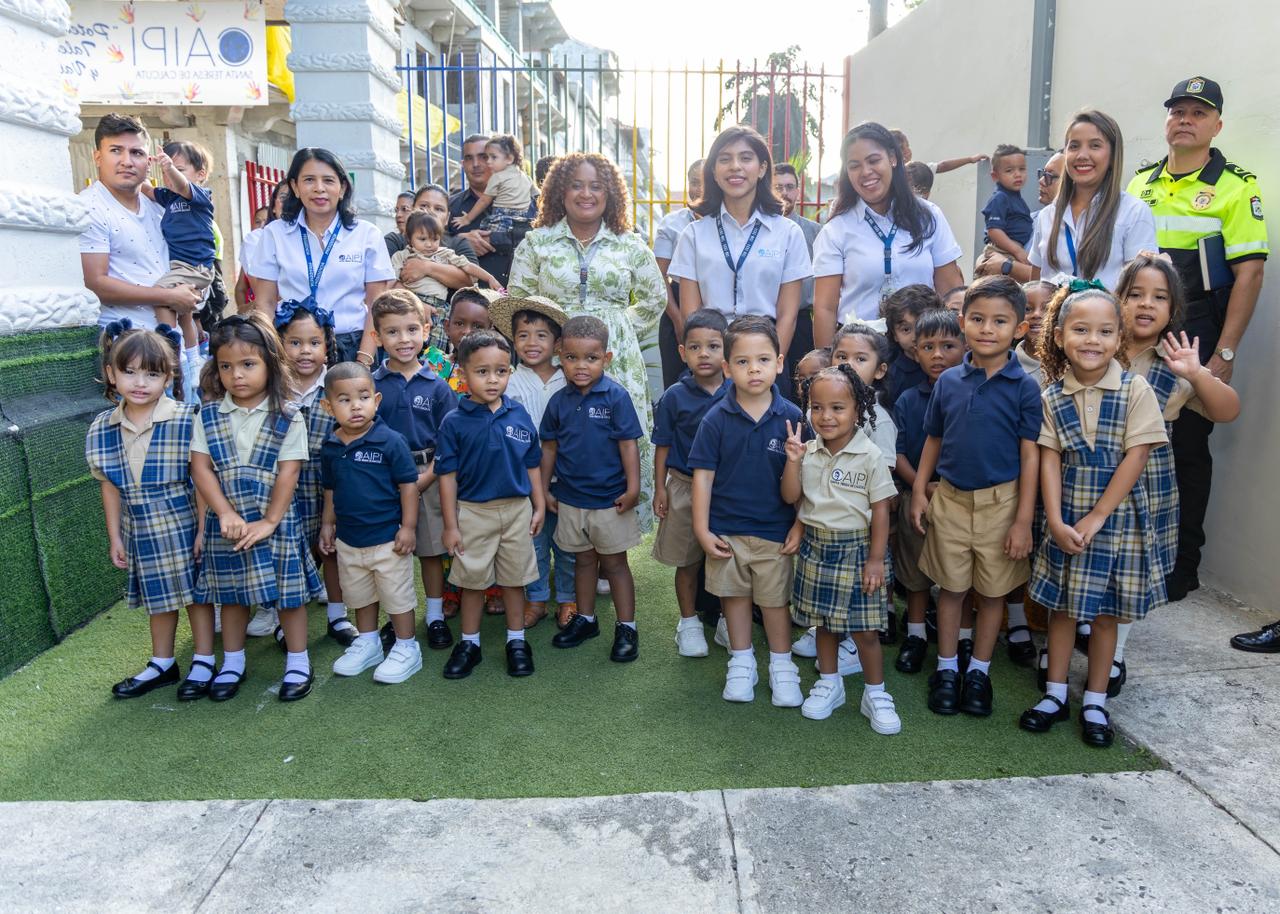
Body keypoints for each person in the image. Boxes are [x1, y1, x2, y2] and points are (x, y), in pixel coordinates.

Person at [1124, 79, 1269, 616]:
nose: (1185, 120)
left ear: (1216, 125)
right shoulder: (1140, 182)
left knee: (1184, 447)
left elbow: (1249, 274)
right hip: (1136, 324)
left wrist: (1223, 354)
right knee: (1126, 436)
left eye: (1198, 113)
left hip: (1195, 329)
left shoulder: (1236, 188)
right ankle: (1133, 550)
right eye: (1178, 111)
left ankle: (1180, 565)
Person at [1021, 283, 1168, 748]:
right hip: (1067, 515)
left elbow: (1136, 456)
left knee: (1106, 615)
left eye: (1105, 331)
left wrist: (1098, 516)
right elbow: (1049, 459)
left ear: (1119, 338)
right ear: (1059, 336)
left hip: (1116, 520)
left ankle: (1095, 700)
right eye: (1081, 330)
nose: (1092, 340)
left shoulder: (1135, 389)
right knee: (1063, 609)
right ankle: (1055, 694)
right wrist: (1056, 520)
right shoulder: (1051, 395)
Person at [507, 152, 666, 530]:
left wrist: (619, 326)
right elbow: (519, 299)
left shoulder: (629, 245)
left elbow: (655, 298)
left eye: (596, 186)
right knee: (556, 435)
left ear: (610, 194)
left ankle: (614, 529)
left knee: (613, 435)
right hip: (554, 354)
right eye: (576, 185)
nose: (586, 193)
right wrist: (548, 336)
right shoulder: (537, 243)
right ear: (560, 192)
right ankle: (552, 525)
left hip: (613, 356)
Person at [910, 276, 1042, 718]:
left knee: (991, 594)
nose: (988, 329)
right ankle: (947, 668)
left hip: (1002, 506)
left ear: (1019, 329)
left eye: (1000, 321)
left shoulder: (1025, 387)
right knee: (951, 590)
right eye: (978, 319)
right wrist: (919, 491)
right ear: (963, 322)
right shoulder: (948, 381)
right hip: (949, 500)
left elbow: (1030, 455)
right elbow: (933, 438)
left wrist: (1022, 520)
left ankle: (979, 672)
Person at [1114, 256, 1239, 684]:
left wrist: (1198, 374)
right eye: (1135, 294)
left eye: (1159, 297)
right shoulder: (1095, 347)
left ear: (1173, 310)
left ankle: (1114, 654)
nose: (1146, 304)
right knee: (1082, 563)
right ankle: (1075, 635)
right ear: (1117, 299)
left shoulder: (1175, 364)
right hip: (1087, 481)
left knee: (1129, 574)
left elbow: (1227, 410)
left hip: (1145, 492)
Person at [189, 313, 322, 702]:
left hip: (274, 521)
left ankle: (298, 661)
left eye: (248, 364)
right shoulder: (208, 415)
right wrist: (225, 513)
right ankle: (232, 662)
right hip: (227, 523)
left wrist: (269, 520)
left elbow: (289, 472)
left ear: (269, 363)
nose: (237, 375)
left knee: (289, 596)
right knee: (231, 595)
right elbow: (201, 468)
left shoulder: (288, 415)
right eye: (226, 366)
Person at [88, 323, 210, 700]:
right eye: (129, 371)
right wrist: (115, 536)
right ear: (111, 374)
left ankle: (204, 660)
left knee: (196, 594)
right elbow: (109, 485)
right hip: (138, 526)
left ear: (168, 377)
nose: (140, 382)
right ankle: (162, 663)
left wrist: (203, 530)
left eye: (152, 374)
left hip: (182, 520)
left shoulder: (187, 417)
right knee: (158, 597)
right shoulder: (102, 427)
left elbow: (202, 479)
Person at [688, 315, 805, 707]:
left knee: (774, 603)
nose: (754, 369)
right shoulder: (715, 419)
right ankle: (741, 662)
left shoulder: (793, 417)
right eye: (742, 361)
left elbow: (800, 488)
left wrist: (800, 524)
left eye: (763, 360)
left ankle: (782, 665)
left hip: (775, 531)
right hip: (726, 530)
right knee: (734, 599)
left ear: (780, 363)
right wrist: (702, 530)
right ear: (727, 368)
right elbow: (703, 478)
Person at [782, 365, 900, 732]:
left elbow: (881, 511)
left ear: (857, 409)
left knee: (865, 632)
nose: (826, 416)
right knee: (824, 626)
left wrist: (876, 560)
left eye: (837, 408)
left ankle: (875, 693)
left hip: (859, 551)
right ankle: (829, 684)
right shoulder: (808, 451)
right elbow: (792, 496)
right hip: (817, 549)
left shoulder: (870, 455)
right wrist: (793, 461)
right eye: (817, 407)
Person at [669, 126, 812, 395]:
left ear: (762, 168)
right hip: (711, 365)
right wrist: (714, 363)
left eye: (746, 158)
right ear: (714, 171)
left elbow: (788, 315)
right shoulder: (694, 234)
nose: (735, 166)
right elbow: (691, 313)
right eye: (725, 159)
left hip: (764, 363)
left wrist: (769, 365)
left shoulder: (788, 233)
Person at [437, 330, 546, 679]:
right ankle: (469, 644)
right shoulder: (454, 422)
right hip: (473, 512)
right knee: (472, 582)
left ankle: (517, 642)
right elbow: (447, 476)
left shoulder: (519, 414)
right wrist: (451, 525)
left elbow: (532, 464)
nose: (493, 379)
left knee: (514, 581)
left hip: (516, 511)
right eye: (482, 371)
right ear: (463, 373)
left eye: (500, 371)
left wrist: (539, 505)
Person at [539, 316, 644, 663]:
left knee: (614, 565)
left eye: (591, 358)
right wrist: (544, 490)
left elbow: (628, 444)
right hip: (571, 498)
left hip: (609, 500)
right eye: (572, 358)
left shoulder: (616, 397)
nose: (581, 366)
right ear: (560, 357)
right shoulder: (558, 401)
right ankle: (585, 619)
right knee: (581, 560)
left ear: (606, 358)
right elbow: (549, 448)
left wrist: (633, 488)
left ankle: (627, 627)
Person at [812, 122, 964, 343]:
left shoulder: (928, 216)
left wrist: (952, 348)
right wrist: (827, 359)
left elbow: (950, 289)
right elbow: (825, 308)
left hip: (922, 348)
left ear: (893, 158)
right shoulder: (836, 230)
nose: (866, 172)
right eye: (854, 165)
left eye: (874, 161)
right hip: (861, 351)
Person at [319, 362, 423, 684]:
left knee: (397, 596)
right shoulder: (331, 446)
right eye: (344, 400)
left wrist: (408, 527)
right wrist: (327, 523)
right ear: (328, 406)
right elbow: (330, 489)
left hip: (388, 539)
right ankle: (368, 643)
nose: (356, 406)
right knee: (360, 596)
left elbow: (408, 486)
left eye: (363, 397)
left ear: (376, 401)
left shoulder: (390, 441)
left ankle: (407, 646)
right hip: (349, 540)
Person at [261, 299, 355, 648]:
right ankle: (283, 617)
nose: (305, 351)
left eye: (314, 342)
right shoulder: (272, 388)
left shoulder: (335, 385)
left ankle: (337, 614)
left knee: (331, 548)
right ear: (280, 344)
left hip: (329, 483)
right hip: (285, 485)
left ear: (327, 345)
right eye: (295, 342)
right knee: (288, 550)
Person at [248, 147, 395, 365]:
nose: (319, 188)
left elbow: (377, 304)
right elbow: (266, 302)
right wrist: (273, 357)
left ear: (342, 188)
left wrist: (363, 361)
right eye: (309, 180)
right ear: (295, 187)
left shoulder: (367, 234)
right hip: (294, 348)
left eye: (328, 180)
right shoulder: (274, 234)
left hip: (352, 346)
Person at [370, 289, 457, 649]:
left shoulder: (438, 387)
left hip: (429, 475)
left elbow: (449, 443)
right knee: (392, 553)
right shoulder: (371, 385)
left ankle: (435, 616)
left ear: (426, 330)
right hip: (385, 479)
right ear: (377, 337)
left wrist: (425, 478)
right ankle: (397, 616)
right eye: (392, 332)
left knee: (431, 551)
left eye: (411, 330)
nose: (403, 339)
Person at [490, 294, 577, 630]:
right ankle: (537, 598)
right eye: (523, 335)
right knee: (533, 542)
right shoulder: (510, 382)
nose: (531, 343)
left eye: (541, 335)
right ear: (513, 340)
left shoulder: (569, 378)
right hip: (525, 479)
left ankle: (568, 598)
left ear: (557, 343)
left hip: (567, 478)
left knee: (567, 543)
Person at [652, 308, 729, 658]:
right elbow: (663, 445)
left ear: (727, 350)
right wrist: (660, 487)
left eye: (713, 346)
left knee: (728, 557)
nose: (704, 354)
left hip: (727, 489)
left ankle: (728, 619)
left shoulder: (738, 390)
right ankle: (688, 622)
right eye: (695, 347)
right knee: (687, 561)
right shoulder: (674, 396)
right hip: (684, 484)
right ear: (682, 353)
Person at [892, 308, 964, 675]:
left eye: (948, 346)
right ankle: (916, 633)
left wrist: (945, 487)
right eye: (928, 347)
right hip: (916, 497)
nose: (938, 355)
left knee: (960, 576)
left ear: (965, 347)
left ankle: (962, 638)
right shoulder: (908, 400)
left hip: (961, 499)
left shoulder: (972, 393)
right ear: (915, 351)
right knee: (916, 571)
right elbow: (897, 453)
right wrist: (921, 487)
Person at [79, 113, 201, 331]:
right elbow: (95, 284)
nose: (127, 161)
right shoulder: (89, 207)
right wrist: (169, 296)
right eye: (116, 150)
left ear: (149, 162)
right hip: (126, 341)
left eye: (136, 153)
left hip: (173, 338)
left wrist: (192, 288)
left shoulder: (159, 205)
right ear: (97, 157)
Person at [1026, 110, 1156, 291]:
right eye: (1074, 146)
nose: (1082, 155)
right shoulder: (1048, 215)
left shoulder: (1134, 213)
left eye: (1095, 146)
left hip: (1109, 310)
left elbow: (1138, 290)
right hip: (1053, 311)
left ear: (1112, 156)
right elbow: (1035, 288)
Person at [392, 211, 495, 352]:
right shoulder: (401, 256)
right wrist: (415, 303)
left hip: (438, 307)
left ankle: (434, 366)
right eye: (422, 239)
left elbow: (468, 266)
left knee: (436, 345)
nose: (429, 244)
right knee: (409, 340)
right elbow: (391, 283)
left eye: (434, 239)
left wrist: (489, 278)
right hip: (410, 303)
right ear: (409, 239)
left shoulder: (444, 254)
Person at [450, 135, 539, 287]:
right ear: (463, 164)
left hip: (522, 294)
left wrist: (494, 239)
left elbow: (540, 238)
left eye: (484, 157)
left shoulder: (528, 200)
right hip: (471, 296)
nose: (476, 164)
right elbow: (430, 241)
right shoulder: (450, 205)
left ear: (505, 159)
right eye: (469, 158)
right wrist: (460, 242)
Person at [774, 162, 824, 403]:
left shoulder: (814, 231)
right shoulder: (761, 230)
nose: (785, 193)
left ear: (798, 190)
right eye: (778, 187)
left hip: (802, 321)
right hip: (768, 318)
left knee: (801, 389)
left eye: (790, 187)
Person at [653, 159, 705, 389]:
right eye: (694, 182)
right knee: (677, 382)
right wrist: (677, 319)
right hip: (675, 301)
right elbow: (659, 275)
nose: (700, 189)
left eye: (706, 182)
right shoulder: (672, 223)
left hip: (712, 301)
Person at [975, 152, 1065, 280]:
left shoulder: (1076, 227)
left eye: (1050, 176)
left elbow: (1055, 279)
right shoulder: (1031, 219)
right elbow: (990, 253)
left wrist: (1007, 266)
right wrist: (986, 261)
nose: (1041, 181)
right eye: (1042, 174)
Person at [882, 284, 943, 408]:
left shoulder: (949, 362)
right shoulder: (890, 374)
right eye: (906, 329)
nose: (915, 337)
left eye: (922, 326)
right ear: (894, 334)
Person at [236, 180, 289, 311]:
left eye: (295, 198)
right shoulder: (256, 239)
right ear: (274, 207)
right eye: (283, 198)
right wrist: (243, 309)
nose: (290, 203)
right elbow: (266, 296)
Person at [982, 144, 1034, 264]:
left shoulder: (1016, 198)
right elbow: (993, 230)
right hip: (1002, 251)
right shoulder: (1000, 198)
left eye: (1022, 169)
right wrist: (1017, 251)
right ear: (995, 176)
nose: (1017, 174)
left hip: (1013, 250)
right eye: (1009, 170)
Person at [889, 129, 988, 176]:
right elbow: (943, 166)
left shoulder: (887, 175)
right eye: (907, 146)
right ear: (901, 152)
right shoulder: (914, 170)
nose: (910, 150)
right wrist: (970, 159)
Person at [1015, 279, 1055, 386]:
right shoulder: (1008, 367)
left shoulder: (1074, 364)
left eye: (1047, 308)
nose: (1036, 314)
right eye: (1027, 309)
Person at [384, 191, 417, 256]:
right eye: (396, 210)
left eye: (404, 209)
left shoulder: (432, 240)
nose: (398, 215)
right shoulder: (392, 240)